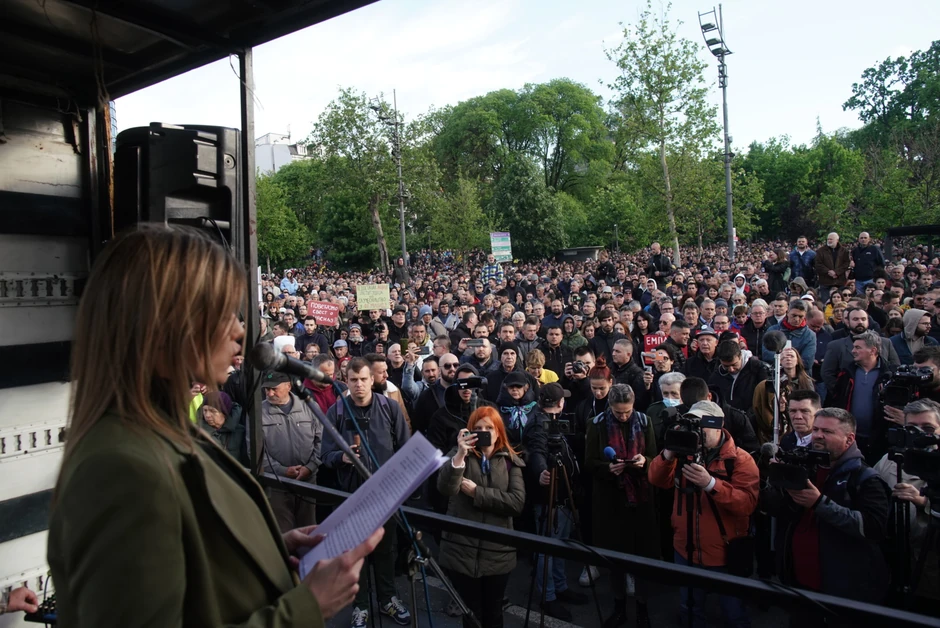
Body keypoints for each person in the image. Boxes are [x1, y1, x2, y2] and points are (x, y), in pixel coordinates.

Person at [48, 225, 382, 628]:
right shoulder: (120, 468)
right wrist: (306, 609)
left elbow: (190, 564)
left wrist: (270, 551)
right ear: (165, 326)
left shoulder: (157, 434)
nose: (240, 331)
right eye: (223, 314)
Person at [762, 407, 891, 613]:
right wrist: (776, 480)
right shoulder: (805, 467)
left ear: (849, 439)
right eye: (816, 430)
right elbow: (779, 511)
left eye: (827, 432)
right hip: (799, 584)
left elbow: (873, 528)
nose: (818, 436)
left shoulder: (866, 479)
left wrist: (820, 503)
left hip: (844, 592)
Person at [649, 400, 759, 628]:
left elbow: (746, 504)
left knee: (733, 612)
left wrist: (711, 484)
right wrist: (669, 451)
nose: (695, 432)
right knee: (690, 608)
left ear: (718, 426)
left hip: (725, 552)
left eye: (701, 425)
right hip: (685, 548)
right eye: (691, 424)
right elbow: (656, 480)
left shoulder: (740, 460)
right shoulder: (683, 453)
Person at [322, 357, 412, 628]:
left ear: (372, 379)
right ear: (345, 381)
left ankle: (387, 599)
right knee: (356, 553)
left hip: (385, 496)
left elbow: (405, 451)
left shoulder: (390, 408)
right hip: (352, 496)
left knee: (385, 550)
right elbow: (325, 454)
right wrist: (342, 458)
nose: (359, 385)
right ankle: (359, 605)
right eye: (353, 380)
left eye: (363, 379)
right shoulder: (336, 412)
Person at [438, 407, 526, 628]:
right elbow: (445, 488)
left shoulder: (510, 460)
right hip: (461, 550)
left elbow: (516, 503)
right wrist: (460, 453)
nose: (484, 432)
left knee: (494, 612)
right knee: (471, 613)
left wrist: (478, 493)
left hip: (497, 552)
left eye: (489, 428)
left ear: (498, 431)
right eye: (478, 429)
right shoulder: (459, 455)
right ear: (469, 431)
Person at [584, 384, 659, 626]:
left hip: (641, 499)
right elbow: (589, 462)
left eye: (627, 412)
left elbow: (654, 458)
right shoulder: (596, 425)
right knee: (614, 559)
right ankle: (618, 607)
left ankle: (643, 606)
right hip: (610, 500)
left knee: (642, 560)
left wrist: (643, 462)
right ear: (610, 407)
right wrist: (607, 468)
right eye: (618, 413)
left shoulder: (645, 422)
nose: (624, 416)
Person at [873, 399, 940, 605]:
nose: (920, 435)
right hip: (894, 562)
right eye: (912, 429)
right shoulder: (890, 460)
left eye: (928, 428)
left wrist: (923, 501)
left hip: (931, 569)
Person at [532, 384, 589, 621]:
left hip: (564, 497)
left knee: (561, 546)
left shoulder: (551, 420)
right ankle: (548, 597)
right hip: (549, 500)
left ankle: (560, 587)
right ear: (561, 402)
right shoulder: (538, 424)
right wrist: (542, 472)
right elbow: (535, 450)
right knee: (547, 549)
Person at [259, 370, 324, 531]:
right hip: (277, 484)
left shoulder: (309, 407)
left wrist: (310, 467)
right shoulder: (257, 412)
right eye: (267, 389)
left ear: (288, 386)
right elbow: (256, 450)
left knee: (309, 530)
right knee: (283, 533)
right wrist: (281, 471)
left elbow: (322, 441)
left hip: (307, 482)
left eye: (274, 388)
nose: (270, 392)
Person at [826, 331, 896, 463]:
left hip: (879, 440)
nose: (853, 351)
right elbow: (837, 400)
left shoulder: (889, 375)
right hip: (850, 438)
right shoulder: (846, 373)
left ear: (873, 350)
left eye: (858, 347)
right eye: (853, 347)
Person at [752, 347, 815, 445]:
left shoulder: (806, 381)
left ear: (797, 360)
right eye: (784, 357)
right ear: (779, 361)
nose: (788, 358)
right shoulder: (773, 381)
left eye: (791, 356)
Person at [763, 300, 817, 371]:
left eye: (801, 316)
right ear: (788, 312)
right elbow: (766, 354)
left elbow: (807, 362)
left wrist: (784, 359)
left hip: (800, 376)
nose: (797, 319)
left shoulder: (810, 335)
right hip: (775, 373)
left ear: (805, 315)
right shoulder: (772, 330)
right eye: (794, 315)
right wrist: (786, 359)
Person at [197, 390, 247, 466]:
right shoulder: (199, 432)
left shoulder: (240, 432)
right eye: (205, 410)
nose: (207, 415)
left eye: (212, 411)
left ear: (225, 413)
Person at [816, 232, 850, 304]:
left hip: (840, 280)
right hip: (825, 281)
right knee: (825, 302)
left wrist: (836, 272)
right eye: (828, 239)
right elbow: (818, 264)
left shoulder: (844, 251)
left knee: (840, 302)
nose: (829, 241)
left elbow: (846, 263)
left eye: (831, 239)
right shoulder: (820, 251)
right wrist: (828, 271)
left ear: (837, 240)